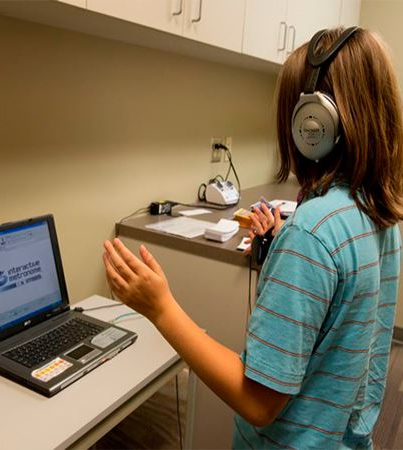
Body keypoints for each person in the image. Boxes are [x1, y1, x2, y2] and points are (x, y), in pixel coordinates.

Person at [103, 27, 403, 449]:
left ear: (312, 124)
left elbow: (257, 401)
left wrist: (161, 307)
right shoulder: (376, 211)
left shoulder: (313, 233)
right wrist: (289, 243)